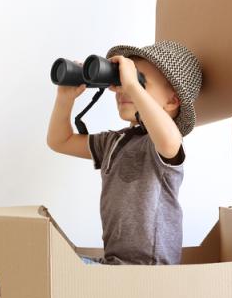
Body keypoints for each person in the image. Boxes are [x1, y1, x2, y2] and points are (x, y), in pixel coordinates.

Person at [46, 40, 203, 265]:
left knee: (55, 270)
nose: (123, 89)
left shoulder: (162, 144)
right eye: (120, 81)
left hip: (151, 270)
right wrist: (65, 98)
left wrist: (132, 86)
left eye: (140, 82)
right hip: (116, 264)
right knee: (45, 262)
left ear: (172, 101)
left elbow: (170, 139)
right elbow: (60, 141)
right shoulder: (114, 141)